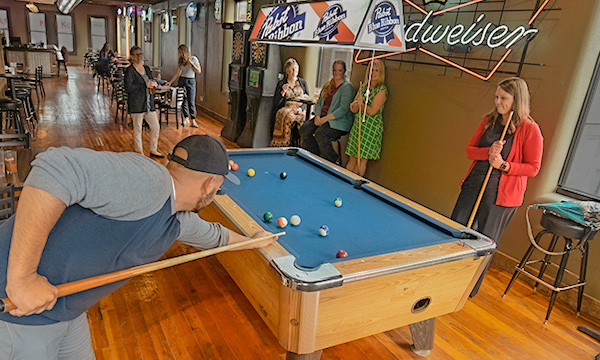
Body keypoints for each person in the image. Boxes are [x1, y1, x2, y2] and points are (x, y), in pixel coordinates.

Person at [0, 134, 278, 359]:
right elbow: (55, 168)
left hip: (65, 311)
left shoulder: (175, 217)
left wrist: (254, 241)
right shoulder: (151, 183)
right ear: (209, 185)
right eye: (218, 189)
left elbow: (216, 238)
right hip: (20, 314)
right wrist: (22, 279)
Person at [450, 77, 543, 297]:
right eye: (496, 97)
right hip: (474, 185)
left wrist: (504, 164)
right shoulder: (488, 121)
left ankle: (468, 289)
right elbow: (470, 150)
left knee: (483, 241)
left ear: (516, 100)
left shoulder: (530, 129)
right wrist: (489, 152)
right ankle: (447, 277)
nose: (498, 102)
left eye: (503, 98)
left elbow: (533, 168)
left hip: (502, 197)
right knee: (455, 231)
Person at [300, 60, 355, 164]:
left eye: (339, 70)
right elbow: (319, 102)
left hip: (339, 122)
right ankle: (313, 156)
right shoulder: (328, 85)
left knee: (320, 134)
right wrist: (317, 116)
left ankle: (332, 161)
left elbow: (343, 109)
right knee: (305, 129)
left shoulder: (347, 87)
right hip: (322, 118)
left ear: (344, 71)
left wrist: (325, 119)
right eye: (334, 70)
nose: (336, 73)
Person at [345, 59, 388, 176]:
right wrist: (354, 105)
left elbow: (372, 111)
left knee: (361, 159)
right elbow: (353, 109)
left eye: (376, 71)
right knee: (352, 157)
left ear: (381, 73)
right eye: (371, 70)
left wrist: (361, 105)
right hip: (358, 125)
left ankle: (354, 185)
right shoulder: (363, 87)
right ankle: (344, 184)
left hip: (370, 128)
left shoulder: (382, 90)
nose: (373, 73)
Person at [124, 45, 164, 158]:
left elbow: (150, 80)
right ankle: (139, 152)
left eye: (140, 54)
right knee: (138, 129)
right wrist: (144, 85)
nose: (139, 56)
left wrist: (154, 84)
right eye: (136, 54)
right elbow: (128, 88)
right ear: (132, 56)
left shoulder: (146, 68)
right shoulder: (129, 70)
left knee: (155, 127)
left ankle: (153, 149)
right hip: (136, 104)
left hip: (148, 103)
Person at [270, 58, 309, 147]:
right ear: (287, 71)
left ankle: (300, 145)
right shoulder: (281, 83)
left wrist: (301, 108)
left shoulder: (302, 82)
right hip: (287, 107)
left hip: (299, 108)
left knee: (303, 119)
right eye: (291, 68)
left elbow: (307, 99)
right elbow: (276, 102)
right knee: (287, 116)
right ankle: (284, 144)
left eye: (296, 68)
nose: (294, 71)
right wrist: (282, 92)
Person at [166, 44, 202, 128]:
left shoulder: (194, 59)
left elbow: (199, 71)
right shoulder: (181, 61)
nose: (180, 54)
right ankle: (186, 118)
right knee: (183, 100)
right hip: (182, 80)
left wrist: (191, 64)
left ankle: (193, 119)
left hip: (191, 80)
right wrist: (170, 82)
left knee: (191, 100)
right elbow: (177, 72)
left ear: (184, 51)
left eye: (180, 52)